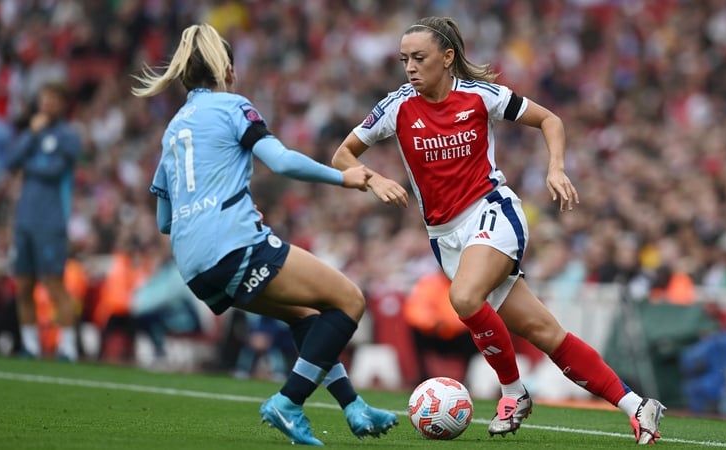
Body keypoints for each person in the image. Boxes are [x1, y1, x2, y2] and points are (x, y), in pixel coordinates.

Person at [332, 16, 665, 444]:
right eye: (404, 60)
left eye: (419, 58)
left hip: (492, 212)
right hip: (445, 237)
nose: (410, 68)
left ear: (447, 58)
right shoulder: (396, 107)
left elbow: (550, 120)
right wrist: (373, 178)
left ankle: (512, 391)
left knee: (464, 297)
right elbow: (343, 154)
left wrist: (556, 168)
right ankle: (637, 405)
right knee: (545, 332)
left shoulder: (480, 96)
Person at [131, 23, 397, 446]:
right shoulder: (233, 106)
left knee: (305, 315)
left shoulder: (172, 131)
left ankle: (353, 406)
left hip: (195, 267)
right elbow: (284, 161)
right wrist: (346, 178)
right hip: (232, 244)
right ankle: (288, 402)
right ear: (229, 71)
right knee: (349, 300)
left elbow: (165, 220)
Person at [5, 81, 81, 361]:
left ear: (62, 103)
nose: (46, 104)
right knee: (24, 284)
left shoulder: (68, 136)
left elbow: (54, 170)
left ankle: (69, 346)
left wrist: (29, 163)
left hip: (51, 221)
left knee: (54, 284)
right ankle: (30, 345)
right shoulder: (32, 134)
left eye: (53, 99)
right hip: (25, 219)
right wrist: (30, 137)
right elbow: (10, 161)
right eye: (43, 98)